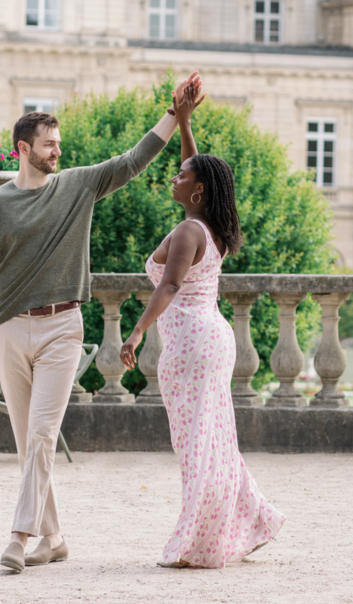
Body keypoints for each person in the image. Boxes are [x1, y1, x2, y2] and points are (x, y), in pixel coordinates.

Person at [0, 72, 199, 574]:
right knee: (25, 440)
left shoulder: (77, 185)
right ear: (22, 148)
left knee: (42, 436)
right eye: (49, 145)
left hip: (62, 329)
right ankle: (53, 538)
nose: (57, 151)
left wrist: (174, 112)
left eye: (59, 144)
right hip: (9, 329)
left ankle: (17, 538)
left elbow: (132, 161)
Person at [120, 80, 285, 569]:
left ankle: (200, 542)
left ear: (195, 189)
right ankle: (252, 522)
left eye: (179, 174)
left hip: (190, 341)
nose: (172, 177)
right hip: (210, 337)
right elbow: (202, 173)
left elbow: (168, 288)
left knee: (197, 447)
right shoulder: (211, 225)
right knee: (214, 442)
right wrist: (184, 122)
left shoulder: (190, 229)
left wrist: (136, 331)